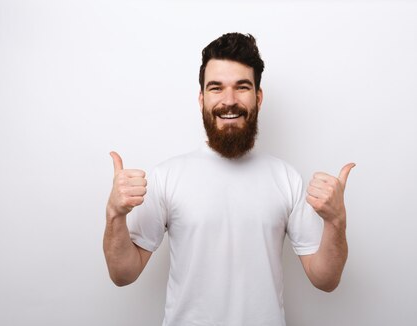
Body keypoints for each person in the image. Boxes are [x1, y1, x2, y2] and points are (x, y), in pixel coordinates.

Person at [103, 32, 355, 326]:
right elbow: (123, 274)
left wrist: (336, 222)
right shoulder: (167, 177)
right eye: (216, 88)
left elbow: (325, 279)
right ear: (201, 99)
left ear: (258, 97)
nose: (229, 101)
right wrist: (114, 215)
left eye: (242, 87)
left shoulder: (286, 178)